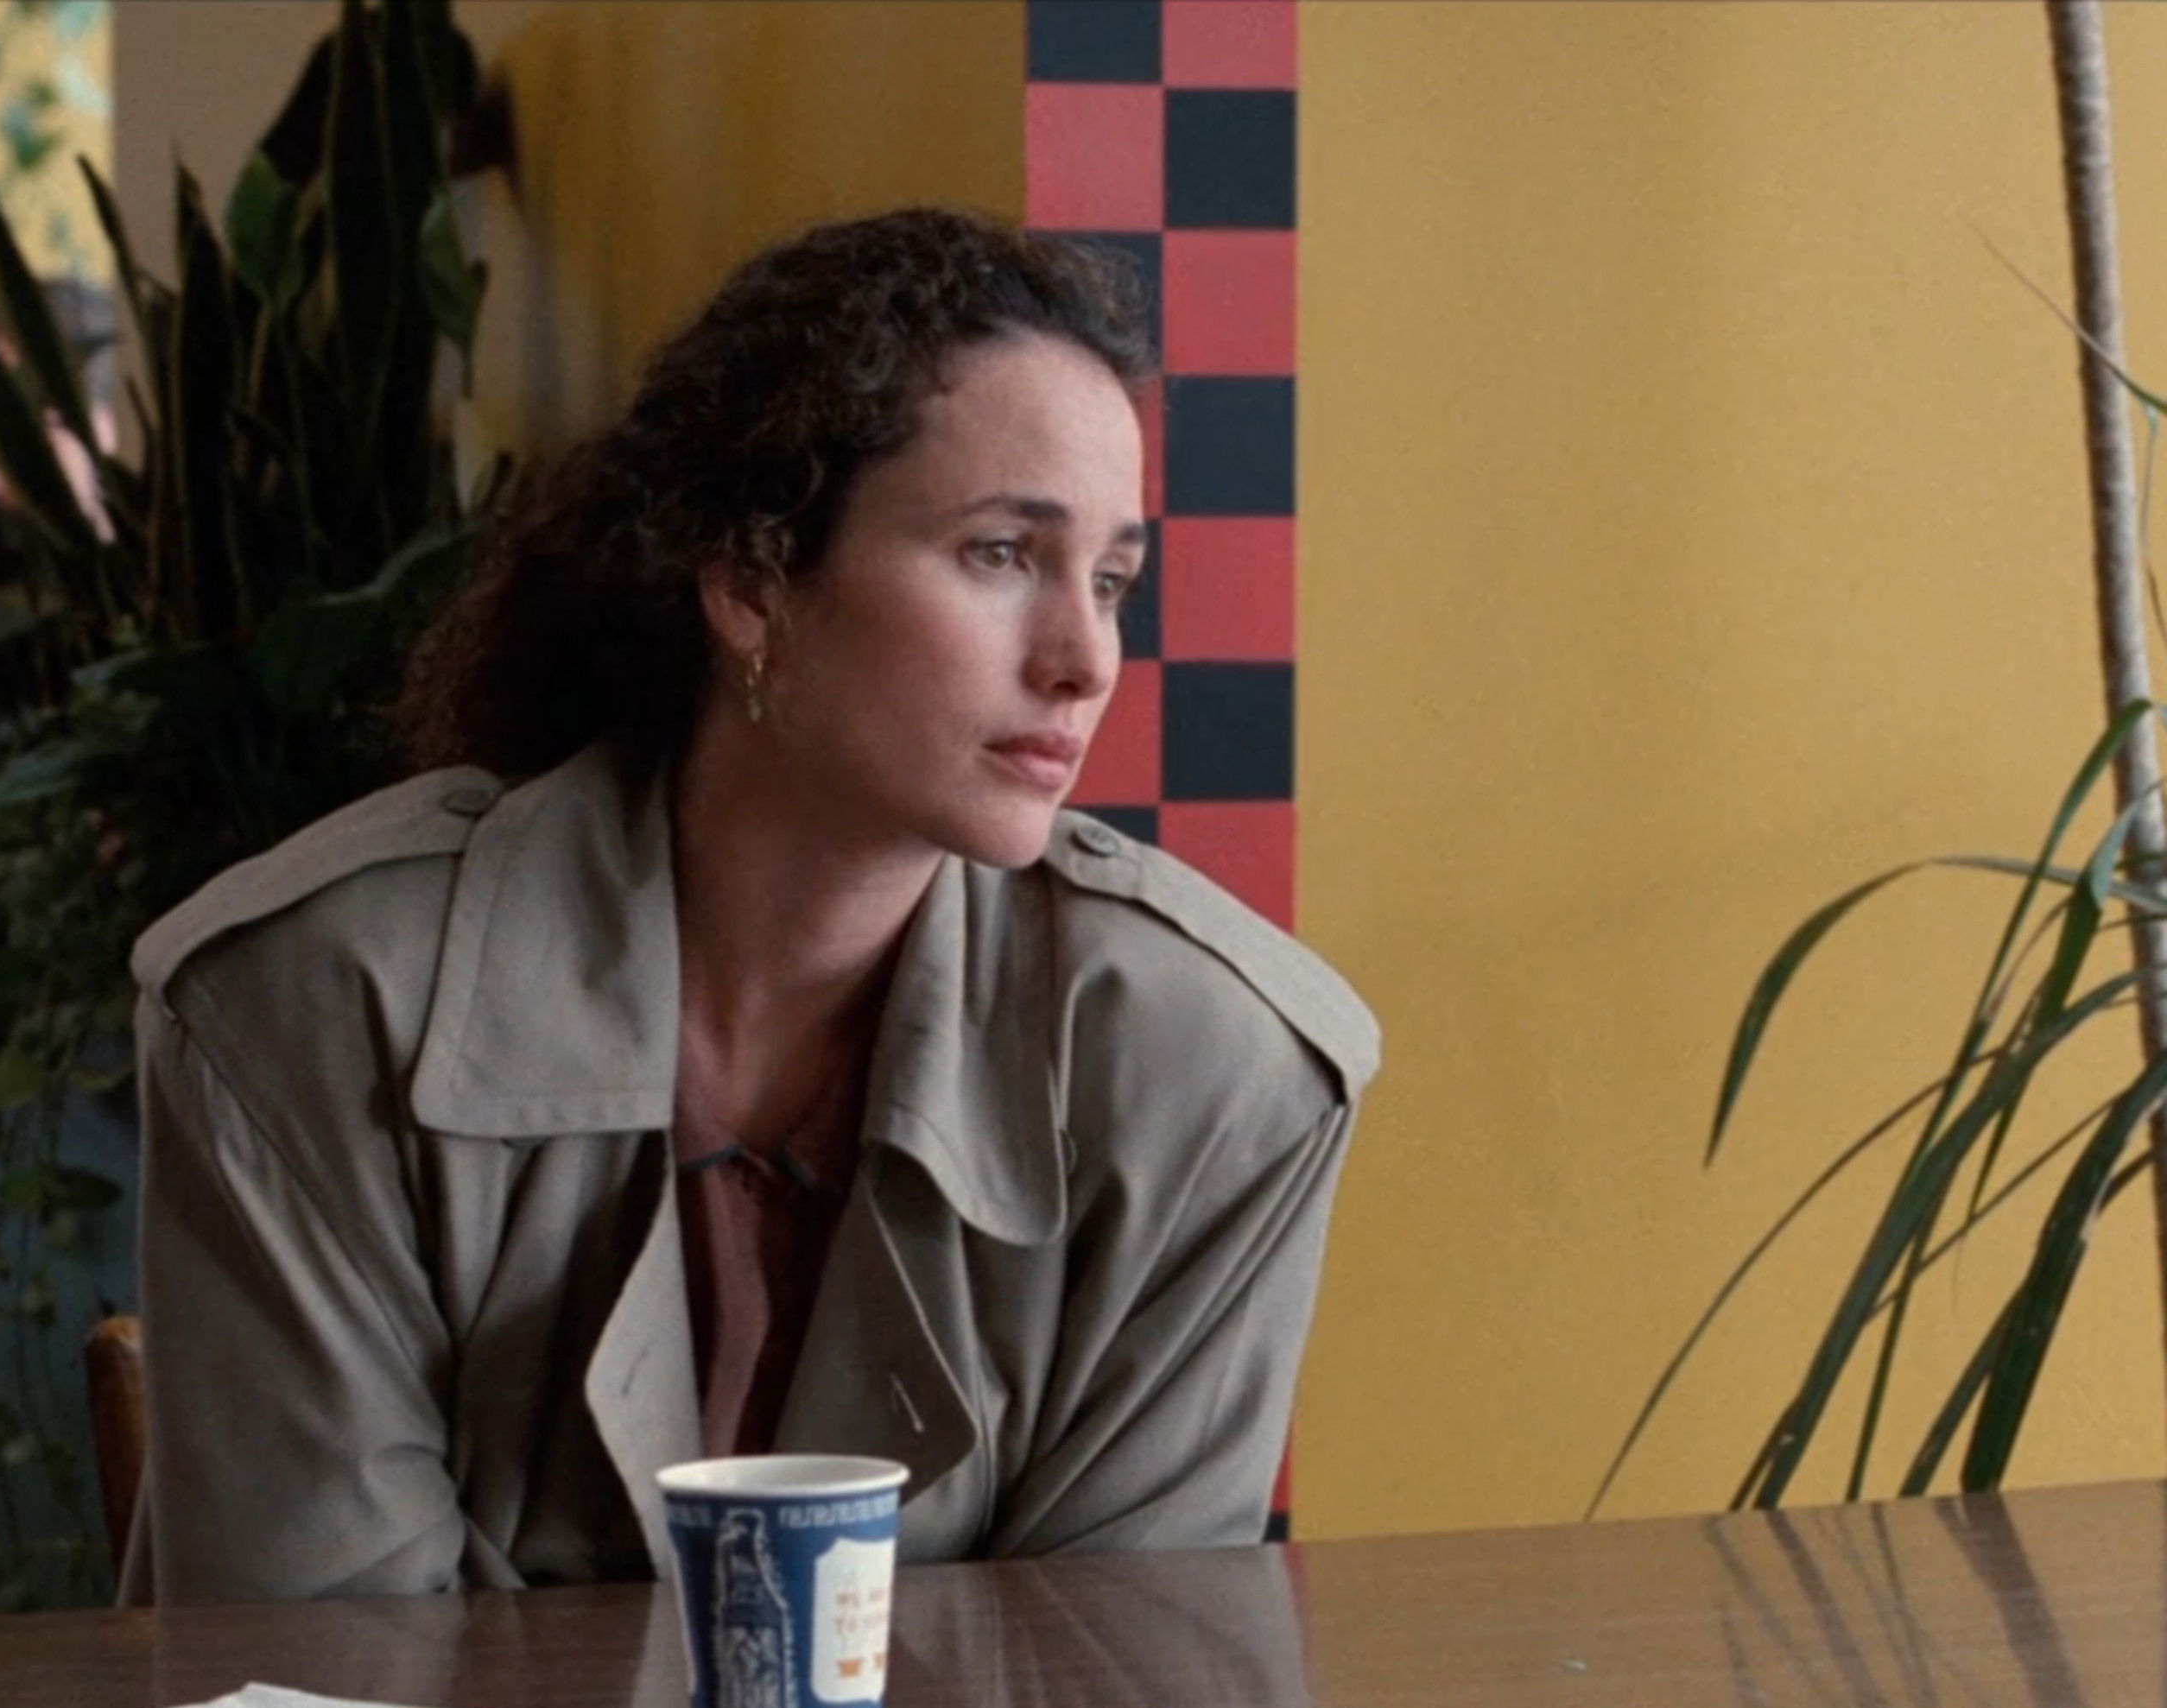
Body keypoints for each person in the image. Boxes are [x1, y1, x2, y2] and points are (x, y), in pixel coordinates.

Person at [124, 207, 1380, 1605]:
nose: (1085, 659)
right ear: (750, 580)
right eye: (999, 554)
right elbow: (330, 1685)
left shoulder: (1220, 1069)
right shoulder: (320, 997)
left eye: (1111, 580)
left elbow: (1122, 1687)